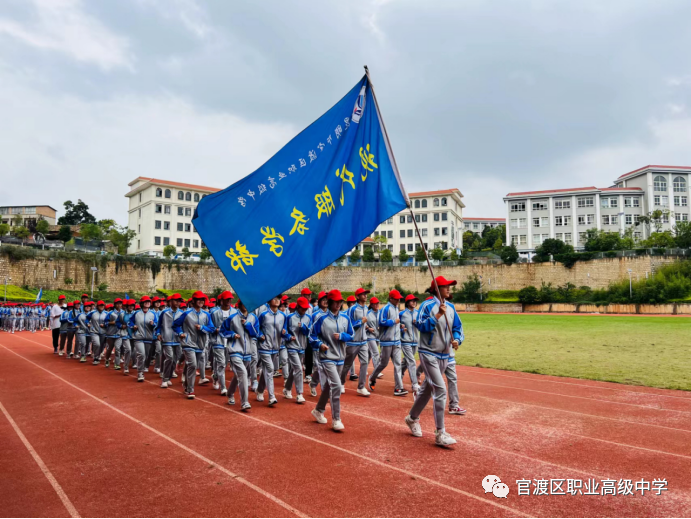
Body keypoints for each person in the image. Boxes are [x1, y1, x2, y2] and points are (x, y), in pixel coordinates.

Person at [405, 276, 463, 447]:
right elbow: (420, 325)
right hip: (428, 353)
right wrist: (438, 315)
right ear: (436, 289)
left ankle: (412, 418)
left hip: (445, 355)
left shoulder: (451, 307)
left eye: (449, 286)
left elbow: (457, 328)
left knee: (426, 390)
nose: (449, 289)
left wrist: (457, 340)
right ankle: (440, 433)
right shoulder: (427, 305)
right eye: (446, 286)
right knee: (440, 389)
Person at [310, 290, 353, 431]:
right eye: (335, 301)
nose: (338, 304)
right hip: (327, 357)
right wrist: (319, 345)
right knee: (336, 385)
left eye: (340, 301)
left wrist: (342, 336)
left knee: (330, 385)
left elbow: (351, 335)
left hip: (341, 358)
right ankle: (336, 419)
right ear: (329, 303)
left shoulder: (345, 318)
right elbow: (311, 336)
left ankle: (318, 410)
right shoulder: (321, 319)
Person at [173, 291, 214, 399]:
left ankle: (186, 385)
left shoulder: (206, 314)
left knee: (190, 365)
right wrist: (180, 333)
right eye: (198, 299)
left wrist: (202, 327)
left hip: (200, 344)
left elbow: (211, 328)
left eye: (202, 300)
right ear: (194, 301)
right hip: (188, 343)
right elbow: (175, 325)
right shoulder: (186, 313)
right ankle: (190, 390)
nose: (201, 301)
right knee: (193, 365)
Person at [369, 290, 407, 396]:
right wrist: (393, 322)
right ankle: (372, 377)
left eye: (399, 298)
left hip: (397, 341)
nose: (398, 300)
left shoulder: (396, 308)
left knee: (398, 364)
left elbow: (395, 323)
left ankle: (398, 388)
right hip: (386, 341)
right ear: (391, 299)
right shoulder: (385, 309)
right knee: (383, 363)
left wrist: (400, 326)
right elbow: (381, 322)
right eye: (396, 298)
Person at [220, 299, 253, 410]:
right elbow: (222, 331)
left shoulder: (253, 317)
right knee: (243, 373)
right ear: (239, 304)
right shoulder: (232, 318)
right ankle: (245, 402)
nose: (246, 305)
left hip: (247, 352)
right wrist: (232, 334)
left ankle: (230, 393)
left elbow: (256, 333)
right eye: (244, 302)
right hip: (235, 350)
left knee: (238, 375)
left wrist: (247, 324)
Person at [256, 296, 288, 406]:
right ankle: (271, 396)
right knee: (270, 369)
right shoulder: (263, 315)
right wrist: (260, 335)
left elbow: (285, 329)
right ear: (269, 301)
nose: (277, 300)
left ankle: (260, 390)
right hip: (264, 346)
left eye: (279, 298)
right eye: (275, 298)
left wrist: (285, 333)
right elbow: (257, 327)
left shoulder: (283, 315)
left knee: (267, 369)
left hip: (276, 347)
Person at [342, 288, 371, 396]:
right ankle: (340, 383)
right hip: (353, 342)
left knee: (365, 363)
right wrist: (360, 322)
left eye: (366, 294)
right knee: (347, 364)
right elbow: (348, 324)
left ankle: (361, 387)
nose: (365, 296)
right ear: (357, 297)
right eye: (363, 294)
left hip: (363, 341)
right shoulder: (352, 309)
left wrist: (365, 326)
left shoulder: (366, 308)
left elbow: (364, 323)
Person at [283, 296, 311, 403]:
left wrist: (303, 327)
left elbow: (309, 332)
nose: (304, 310)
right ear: (298, 307)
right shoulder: (289, 317)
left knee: (294, 369)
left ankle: (287, 388)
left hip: (302, 347)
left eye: (306, 308)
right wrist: (289, 337)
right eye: (303, 308)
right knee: (299, 369)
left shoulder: (308, 317)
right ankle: (300, 394)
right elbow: (283, 331)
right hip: (292, 346)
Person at [129, 296, 158, 382]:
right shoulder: (137, 313)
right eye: (145, 302)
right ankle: (140, 373)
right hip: (138, 337)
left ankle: (143, 368)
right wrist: (133, 326)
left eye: (148, 301)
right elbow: (130, 322)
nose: (147, 303)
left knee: (146, 355)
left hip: (149, 338)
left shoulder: (153, 314)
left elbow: (157, 324)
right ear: (142, 303)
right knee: (141, 354)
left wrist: (153, 324)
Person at [156, 293, 183, 388]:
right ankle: (164, 379)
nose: (177, 302)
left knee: (175, 359)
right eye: (176, 300)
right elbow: (159, 325)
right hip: (166, 339)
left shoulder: (182, 313)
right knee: (169, 358)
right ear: (170, 301)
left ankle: (169, 377)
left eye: (179, 301)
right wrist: (158, 334)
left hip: (178, 339)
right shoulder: (164, 312)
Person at [209, 291, 234, 394]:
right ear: (221, 300)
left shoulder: (234, 312)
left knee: (225, 362)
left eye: (230, 299)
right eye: (226, 299)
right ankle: (223, 387)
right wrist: (215, 330)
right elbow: (210, 326)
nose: (228, 301)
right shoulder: (214, 313)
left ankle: (215, 376)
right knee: (221, 363)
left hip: (230, 341)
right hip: (218, 340)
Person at [308, 291, 329, 397]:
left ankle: (312, 384)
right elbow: (311, 331)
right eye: (323, 300)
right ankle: (325, 392)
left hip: (329, 346)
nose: (325, 302)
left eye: (327, 300)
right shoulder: (315, 315)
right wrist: (317, 343)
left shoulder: (331, 314)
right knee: (320, 367)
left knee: (322, 368)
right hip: (318, 346)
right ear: (319, 302)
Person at [400, 294, 420, 395]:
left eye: (415, 300)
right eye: (412, 301)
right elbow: (396, 326)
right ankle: (415, 384)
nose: (414, 302)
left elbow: (422, 326)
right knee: (411, 361)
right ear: (407, 303)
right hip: (405, 341)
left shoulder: (418, 313)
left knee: (406, 361)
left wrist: (418, 323)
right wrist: (401, 328)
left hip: (415, 341)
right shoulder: (402, 314)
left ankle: (399, 374)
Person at [87, 301, 108, 365]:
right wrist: (88, 324)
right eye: (100, 305)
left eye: (102, 305)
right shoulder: (92, 313)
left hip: (103, 332)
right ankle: (95, 358)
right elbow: (86, 318)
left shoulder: (106, 313)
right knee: (97, 344)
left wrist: (105, 325)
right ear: (97, 306)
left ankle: (98, 355)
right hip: (94, 331)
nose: (101, 306)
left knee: (101, 345)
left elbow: (109, 321)